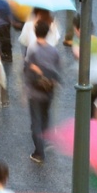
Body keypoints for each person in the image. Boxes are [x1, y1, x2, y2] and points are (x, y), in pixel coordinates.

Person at [22, 17, 61, 164]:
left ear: (35, 31)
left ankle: (39, 152)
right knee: (45, 117)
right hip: (48, 90)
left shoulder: (32, 50)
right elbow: (57, 71)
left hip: (34, 91)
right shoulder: (53, 51)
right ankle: (44, 140)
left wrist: (25, 89)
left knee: (36, 121)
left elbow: (27, 70)